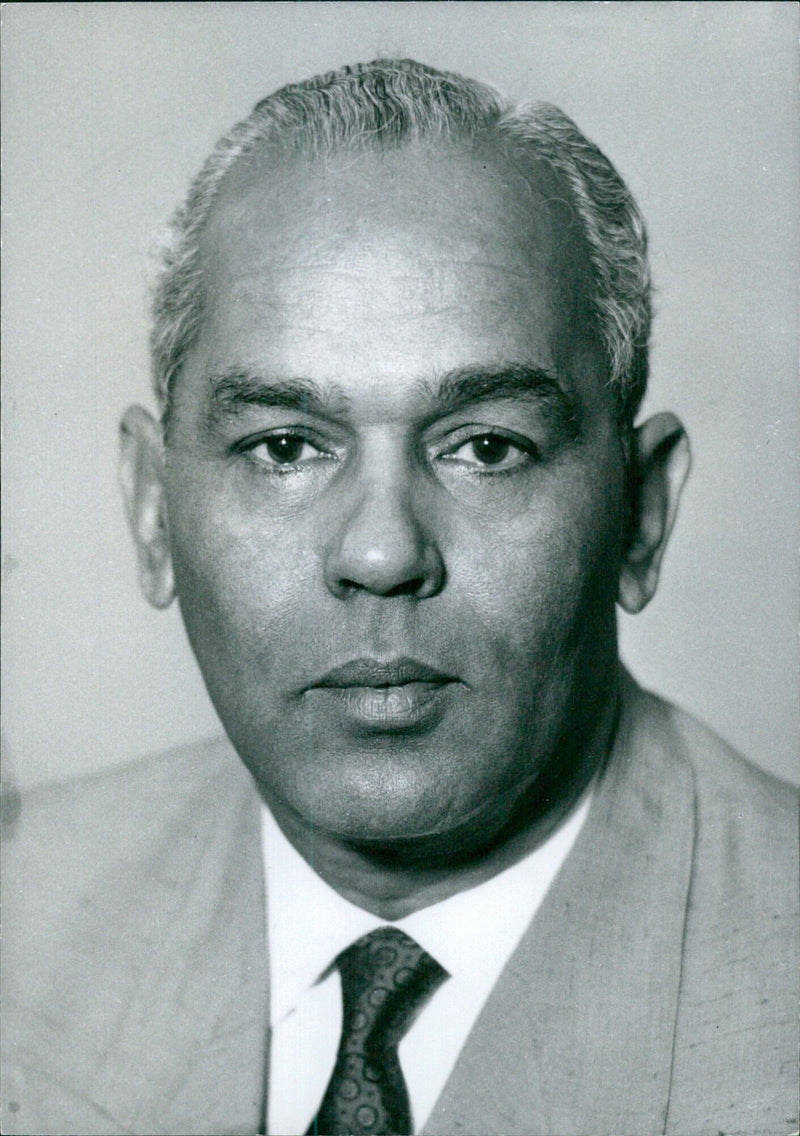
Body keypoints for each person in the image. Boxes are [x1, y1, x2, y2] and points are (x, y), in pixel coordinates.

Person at [2, 58, 797, 1136]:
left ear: (639, 513)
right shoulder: (24, 907)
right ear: (152, 506)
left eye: (485, 447)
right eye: (283, 446)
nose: (381, 552)